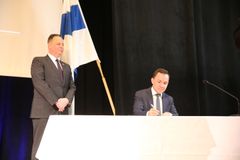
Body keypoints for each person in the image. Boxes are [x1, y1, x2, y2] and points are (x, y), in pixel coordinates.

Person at [30, 34, 76, 160]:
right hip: (44, 112)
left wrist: (66, 100)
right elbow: (40, 84)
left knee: (59, 150)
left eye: (62, 44)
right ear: (49, 45)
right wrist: (56, 102)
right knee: (39, 150)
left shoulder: (66, 67)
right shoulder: (39, 61)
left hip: (62, 114)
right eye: (58, 44)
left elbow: (72, 87)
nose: (61, 47)